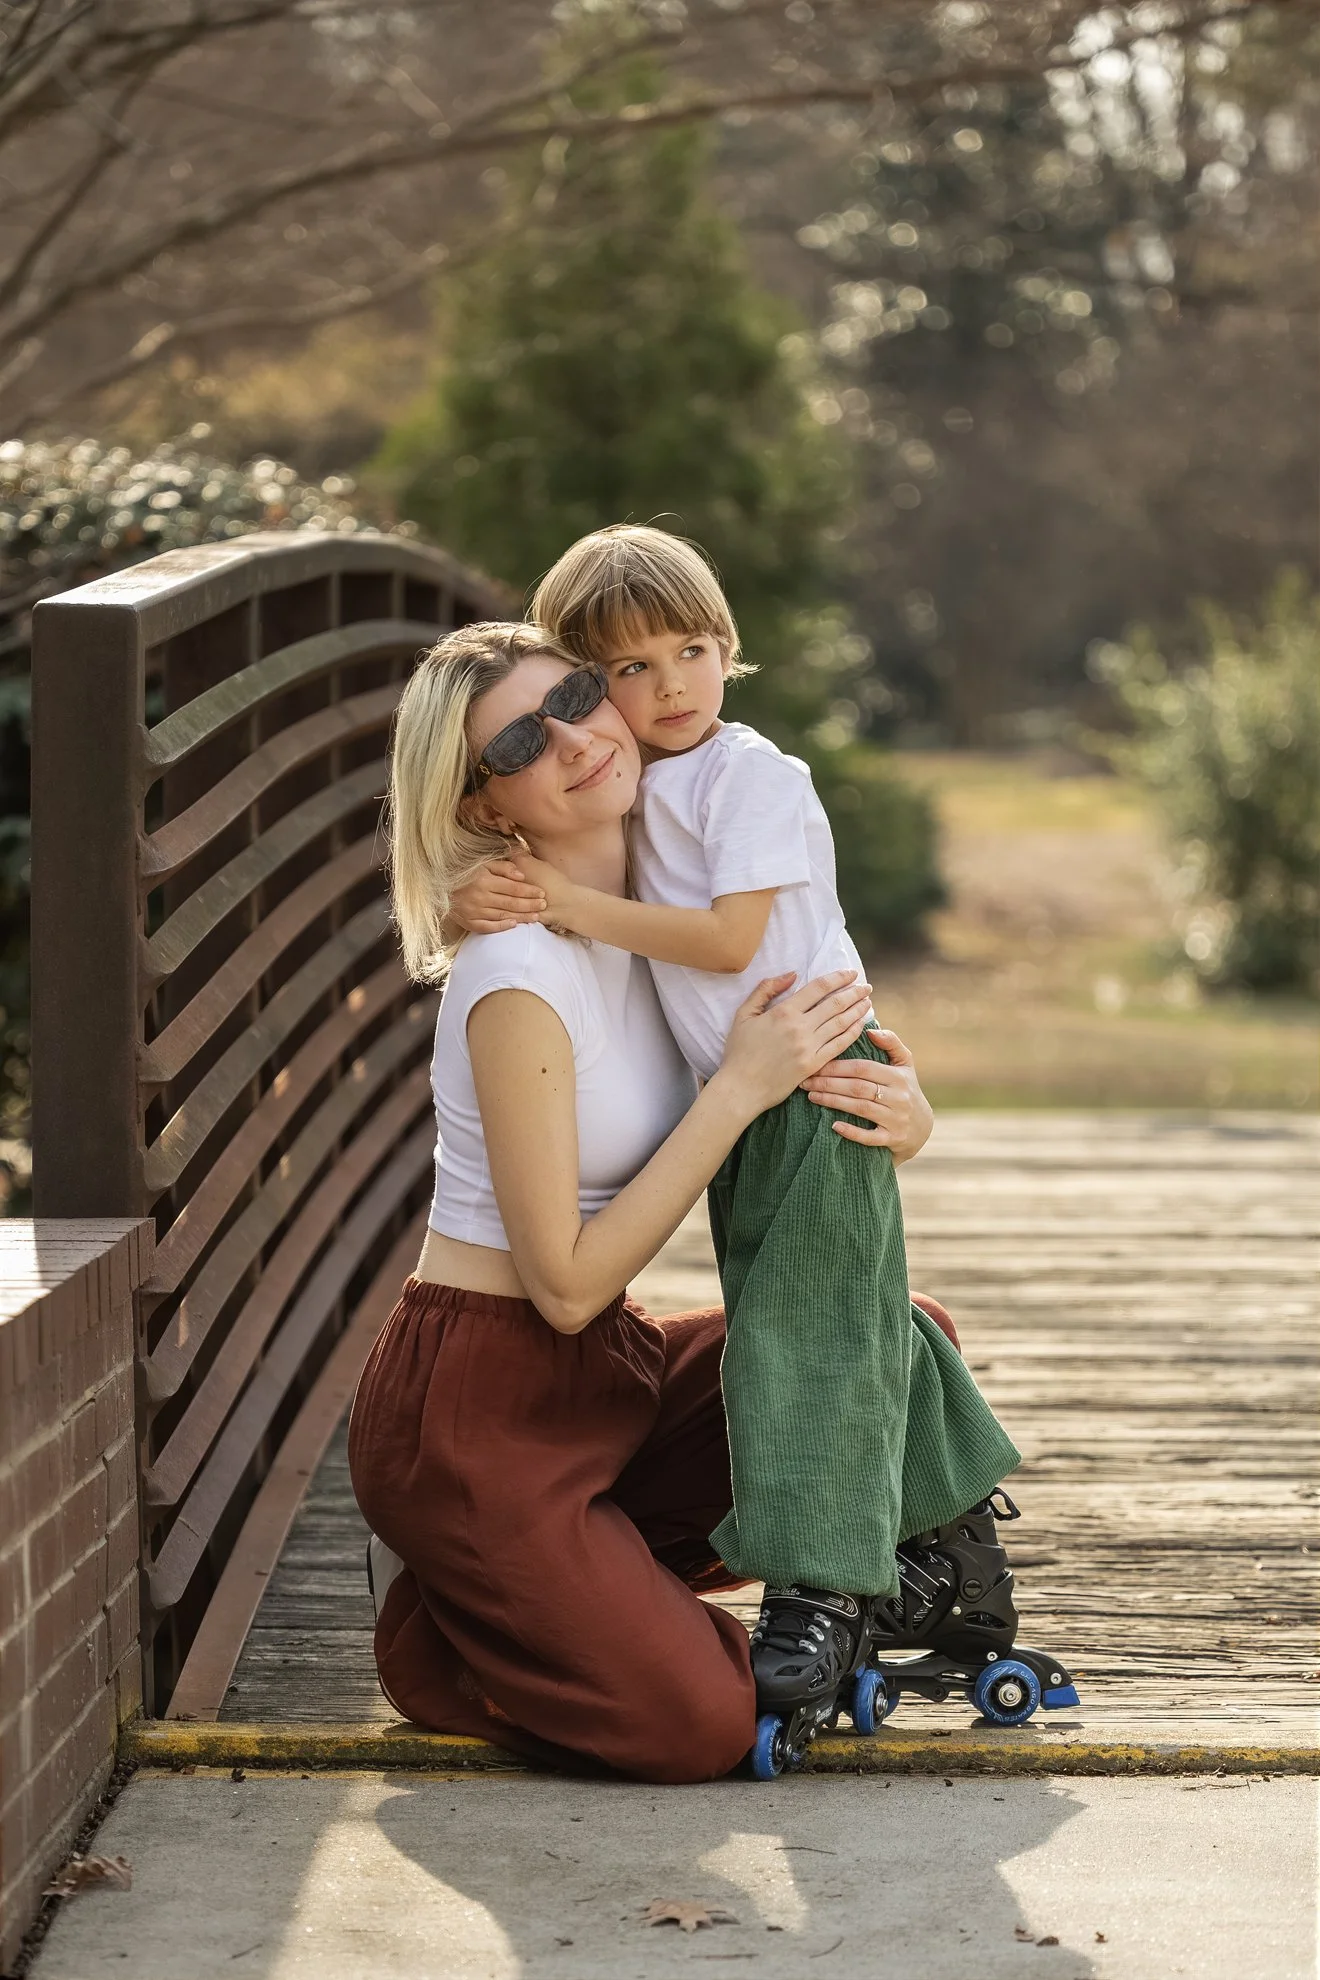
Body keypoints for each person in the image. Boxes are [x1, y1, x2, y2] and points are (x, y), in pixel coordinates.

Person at [449, 527, 1029, 1756]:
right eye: (625, 671)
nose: (663, 691)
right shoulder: (640, 779)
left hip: (809, 1084)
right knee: (823, 1318)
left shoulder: (752, 776)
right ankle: (948, 1555)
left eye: (693, 655)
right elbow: (556, 852)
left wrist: (560, 899)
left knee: (806, 1334)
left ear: (731, 652)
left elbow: (727, 946)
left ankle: (822, 1588)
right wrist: (486, 889)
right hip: (765, 1093)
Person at [349, 618, 911, 1784]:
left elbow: (825, 1040)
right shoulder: (514, 976)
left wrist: (904, 1111)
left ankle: (536, 1598)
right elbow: (560, 1286)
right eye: (516, 742)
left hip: (608, 1380)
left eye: (577, 695)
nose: (572, 739)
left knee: (903, 1350)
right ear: (483, 808)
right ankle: (451, 1638)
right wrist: (742, 1091)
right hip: (477, 1420)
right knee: (699, 1725)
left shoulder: (670, 918)